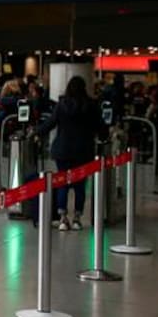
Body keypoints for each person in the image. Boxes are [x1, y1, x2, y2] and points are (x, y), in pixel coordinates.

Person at [35, 75, 105, 231]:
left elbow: (50, 123)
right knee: (80, 185)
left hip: (63, 150)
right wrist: (104, 136)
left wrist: (36, 133)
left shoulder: (62, 105)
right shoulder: (91, 105)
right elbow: (100, 126)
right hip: (83, 151)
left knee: (63, 183)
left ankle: (62, 218)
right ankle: (77, 219)